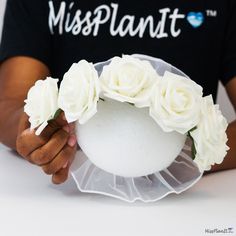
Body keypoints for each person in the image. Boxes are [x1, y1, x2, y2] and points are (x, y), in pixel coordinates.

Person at [0, 0, 235, 184]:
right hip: (67, 201)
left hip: (189, 206)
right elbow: (9, 102)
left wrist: (183, 156)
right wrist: (35, 131)